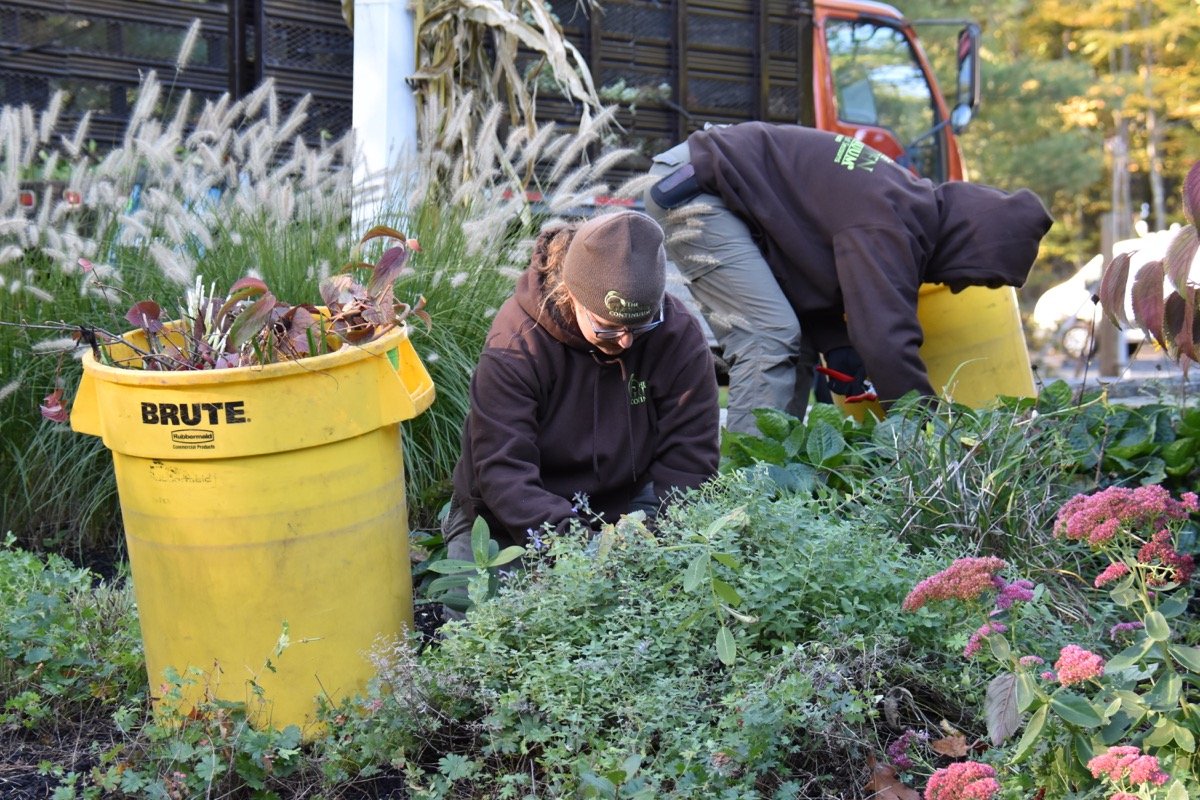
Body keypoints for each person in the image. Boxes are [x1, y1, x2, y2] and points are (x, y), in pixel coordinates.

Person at [643, 122, 1054, 434]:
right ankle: (744, 498)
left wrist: (836, 345)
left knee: (796, 342)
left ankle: (778, 477)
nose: (963, 286)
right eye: (977, 276)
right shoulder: (889, 225)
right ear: (973, 244)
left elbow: (805, 266)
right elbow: (886, 341)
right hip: (696, 188)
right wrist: (927, 434)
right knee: (768, 337)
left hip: (723, 191)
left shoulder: (904, 207)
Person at [442, 209, 721, 568]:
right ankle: (455, 530)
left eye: (640, 328)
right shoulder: (516, 344)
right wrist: (579, 550)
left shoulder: (678, 337)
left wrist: (654, 543)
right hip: (509, 515)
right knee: (482, 619)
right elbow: (503, 472)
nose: (623, 342)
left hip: (627, 506)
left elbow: (690, 463)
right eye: (607, 328)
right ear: (570, 294)